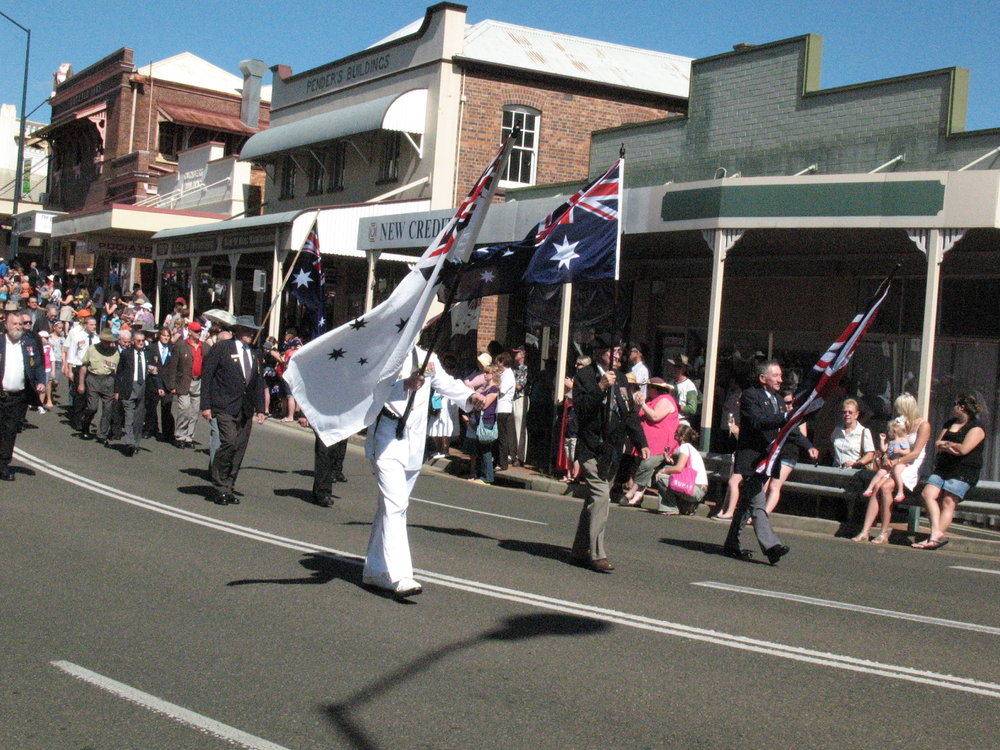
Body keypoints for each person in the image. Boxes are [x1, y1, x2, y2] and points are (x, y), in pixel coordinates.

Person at [363, 347, 484, 597]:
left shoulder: (425, 357)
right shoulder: (383, 352)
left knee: (392, 506)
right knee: (396, 504)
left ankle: (374, 570)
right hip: (386, 437)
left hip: (414, 441)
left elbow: (446, 384)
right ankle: (400, 575)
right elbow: (369, 389)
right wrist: (405, 385)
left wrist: (470, 399)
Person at [723, 360, 818, 564]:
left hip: (768, 459)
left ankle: (732, 544)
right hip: (752, 459)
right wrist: (784, 417)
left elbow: (788, 429)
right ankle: (771, 546)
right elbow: (757, 422)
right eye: (776, 375)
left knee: (746, 504)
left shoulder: (777, 399)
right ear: (763, 378)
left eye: (781, 376)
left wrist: (807, 445)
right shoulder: (750, 396)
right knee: (758, 502)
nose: (780, 380)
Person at [570, 334, 649, 572]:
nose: (616, 355)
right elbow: (582, 410)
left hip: (612, 449)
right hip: (591, 447)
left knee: (595, 499)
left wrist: (640, 440)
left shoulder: (623, 378)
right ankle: (597, 554)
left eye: (619, 350)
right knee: (602, 496)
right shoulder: (584, 376)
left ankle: (578, 549)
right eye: (611, 351)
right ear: (599, 353)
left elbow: (627, 413)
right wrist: (600, 387)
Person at [199, 316, 265, 505]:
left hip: (245, 407)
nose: (250, 334)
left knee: (239, 449)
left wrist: (261, 408)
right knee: (228, 442)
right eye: (246, 330)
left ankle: (229, 486)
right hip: (224, 404)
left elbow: (258, 382)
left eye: (252, 331)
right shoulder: (222, 348)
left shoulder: (255, 353)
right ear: (237, 331)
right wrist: (206, 405)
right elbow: (208, 376)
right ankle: (218, 483)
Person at [852, 393, 932, 545]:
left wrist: (897, 462)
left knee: (886, 486)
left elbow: (915, 452)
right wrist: (887, 458)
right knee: (877, 486)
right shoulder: (900, 424)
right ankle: (865, 530)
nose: (899, 412)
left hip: (912, 463)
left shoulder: (923, 425)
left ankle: (884, 531)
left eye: (901, 409)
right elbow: (892, 444)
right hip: (896, 460)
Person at [913, 393, 987, 550]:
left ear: (962, 407)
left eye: (955, 404)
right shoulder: (950, 423)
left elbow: (964, 449)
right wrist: (950, 446)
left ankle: (933, 537)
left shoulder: (976, 428)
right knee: (928, 494)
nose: (952, 407)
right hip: (943, 468)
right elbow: (938, 444)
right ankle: (936, 531)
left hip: (964, 470)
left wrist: (949, 446)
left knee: (948, 501)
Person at [0, 311, 46, 480]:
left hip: (17, 396)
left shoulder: (29, 343)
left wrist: (40, 381)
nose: (18, 327)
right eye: (14, 324)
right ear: (6, 325)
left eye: (20, 324)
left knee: (10, 431)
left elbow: (39, 365)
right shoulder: (1, 342)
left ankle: (3, 465)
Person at [622, 376, 678, 506]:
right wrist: (638, 402)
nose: (647, 389)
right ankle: (637, 495)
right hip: (646, 443)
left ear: (655, 388)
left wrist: (642, 404)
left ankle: (633, 492)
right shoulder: (651, 400)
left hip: (661, 444)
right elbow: (638, 414)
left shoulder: (666, 400)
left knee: (647, 465)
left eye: (649, 387)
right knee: (640, 465)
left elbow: (655, 416)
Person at [764, 389, 816, 515]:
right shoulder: (777, 416)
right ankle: (756, 510)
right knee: (763, 484)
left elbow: (801, 436)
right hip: (773, 453)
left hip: (789, 454)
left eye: (791, 403)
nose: (789, 406)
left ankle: (763, 514)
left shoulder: (799, 419)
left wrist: (809, 446)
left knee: (774, 486)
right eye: (786, 403)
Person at [162, 320, 207, 449]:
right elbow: (173, 366)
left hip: (198, 381)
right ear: (190, 332)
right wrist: (172, 385)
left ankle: (189, 437)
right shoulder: (181, 346)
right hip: (183, 382)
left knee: (194, 412)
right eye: (197, 331)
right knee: (184, 409)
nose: (199, 333)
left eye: (200, 331)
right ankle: (180, 435)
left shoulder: (204, 347)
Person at [77, 328, 121, 445]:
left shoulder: (115, 352)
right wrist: (81, 384)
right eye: (105, 341)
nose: (108, 344)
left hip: (108, 380)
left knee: (107, 409)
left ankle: (102, 434)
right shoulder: (92, 349)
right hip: (94, 379)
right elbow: (84, 366)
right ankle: (85, 425)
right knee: (92, 407)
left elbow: (118, 371)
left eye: (109, 342)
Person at [113, 329, 152, 456]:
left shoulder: (147, 354)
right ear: (133, 342)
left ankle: (136, 443)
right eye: (138, 341)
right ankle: (129, 442)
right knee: (129, 416)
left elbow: (153, 372)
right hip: (129, 387)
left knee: (139, 418)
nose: (141, 343)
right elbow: (119, 373)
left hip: (143, 388)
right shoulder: (126, 354)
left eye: (143, 341)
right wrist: (117, 390)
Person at [655, 423, 709, 515]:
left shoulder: (684, 447)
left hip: (695, 489)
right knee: (668, 470)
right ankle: (686, 506)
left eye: (676, 433)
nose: (674, 434)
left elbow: (679, 468)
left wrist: (663, 471)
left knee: (660, 477)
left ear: (682, 436)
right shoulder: (691, 448)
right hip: (700, 488)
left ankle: (670, 507)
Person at [297, 415, 348, 507]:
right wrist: (305, 415)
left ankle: (320, 489)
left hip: (341, 419)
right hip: (323, 418)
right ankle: (323, 493)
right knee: (324, 452)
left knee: (335, 452)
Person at [862, 419, 912, 501]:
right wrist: (882, 440)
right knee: (880, 472)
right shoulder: (890, 442)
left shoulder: (903, 440)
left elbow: (908, 452)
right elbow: (883, 449)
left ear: (894, 431)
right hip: (890, 462)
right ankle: (869, 488)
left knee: (897, 472)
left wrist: (900, 451)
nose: (888, 432)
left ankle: (900, 491)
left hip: (900, 461)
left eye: (889, 430)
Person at [468, 365, 500, 485]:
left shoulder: (494, 389)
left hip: (487, 420)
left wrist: (478, 401)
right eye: (484, 372)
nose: (485, 374)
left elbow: (485, 404)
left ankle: (488, 477)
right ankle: (481, 474)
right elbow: (476, 403)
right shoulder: (487, 388)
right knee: (481, 449)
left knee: (485, 449)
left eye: (487, 372)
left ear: (493, 375)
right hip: (480, 419)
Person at [143, 327, 175, 441]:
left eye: (168, 336)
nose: (166, 338)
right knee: (151, 407)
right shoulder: (151, 348)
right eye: (163, 335)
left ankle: (167, 433)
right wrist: (158, 386)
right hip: (154, 381)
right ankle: (149, 429)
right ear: (159, 336)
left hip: (168, 383)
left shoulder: (172, 348)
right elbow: (151, 367)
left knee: (166, 408)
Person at [830, 398, 876, 469]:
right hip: (835, 470)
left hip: (853, 473)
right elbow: (831, 445)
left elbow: (870, 454)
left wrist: (856, 464)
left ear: (856, 414)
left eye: (850, 412)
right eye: (844, 412)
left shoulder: (864, 431)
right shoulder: (837, 430)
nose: (847, 414)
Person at [494, 352, 516, 470]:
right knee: (499, 436)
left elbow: (501, 391)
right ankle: (498, 461)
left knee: (502, 437)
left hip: (504, 408)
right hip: (500, 408)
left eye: (498, 361)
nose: (497, 364)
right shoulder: (504, 374)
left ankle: (503, 464)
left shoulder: (508, 375)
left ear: (502, 362)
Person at [511, 344, 529, 466]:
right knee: (511, 427)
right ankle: (511, 453)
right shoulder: (513, 369)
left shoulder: (525, 369)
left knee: (519, 427)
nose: (514, 355)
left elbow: (520, 385)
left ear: (522, 355)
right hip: (511, 398)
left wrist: (508, 385)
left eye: (517, 353)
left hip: (520, 398)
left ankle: (519, 456)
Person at [669, 355, 699, 425]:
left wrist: (676, 406)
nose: (675, 369)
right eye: (674, 366)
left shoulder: (689, 386)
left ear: (685, 369)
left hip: (682, 422)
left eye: (678, 367)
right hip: (670, 421)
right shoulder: (670, 383)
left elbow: (692, 409)